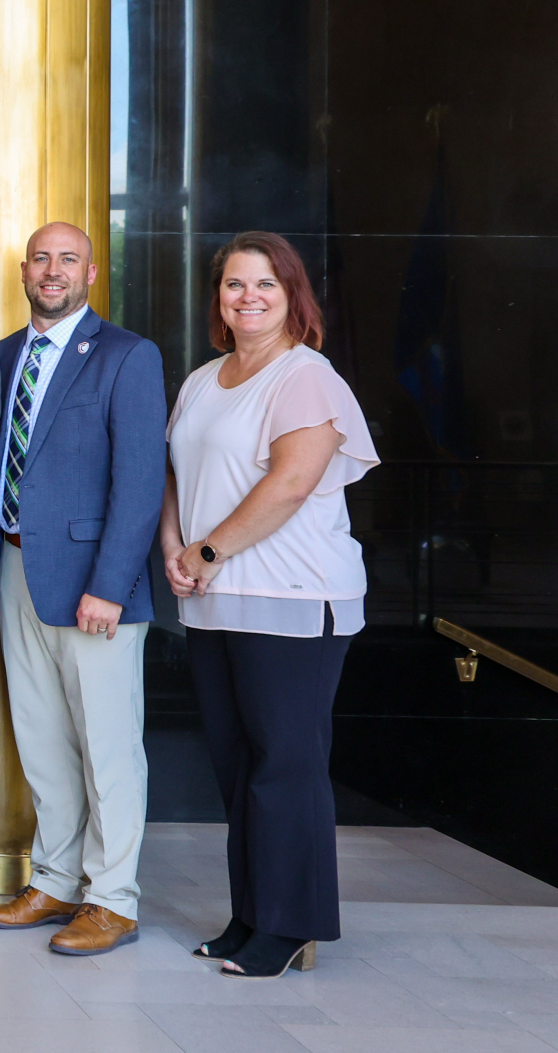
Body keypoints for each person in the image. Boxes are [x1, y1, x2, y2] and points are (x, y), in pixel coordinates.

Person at [161, 231, 376, 980]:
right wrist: (172, 548)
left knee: (285, 766)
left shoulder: (305, 377)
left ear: (292, 297)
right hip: (216, 603)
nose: (247, 298)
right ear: (217, 297)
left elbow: (288, 484)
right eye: (233, 285)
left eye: (265, 286)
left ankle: (288, 927)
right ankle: (250, 915)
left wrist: (206, 552)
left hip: (291, 597)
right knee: (237, 767)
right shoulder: (202, 379)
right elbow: (175, 475)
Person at [0, 223, 167, 955]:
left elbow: (142, 479)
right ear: (24, 269)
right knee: (42, 738)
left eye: (68, 261)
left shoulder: (126, 355)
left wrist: (111, 584)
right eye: (42, 259)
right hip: (18, 571)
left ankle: (112, 899)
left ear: (92, 272)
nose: (52, 272)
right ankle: (54, 880)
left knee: (108, 744)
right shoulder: (0, 358)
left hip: (95, 582)